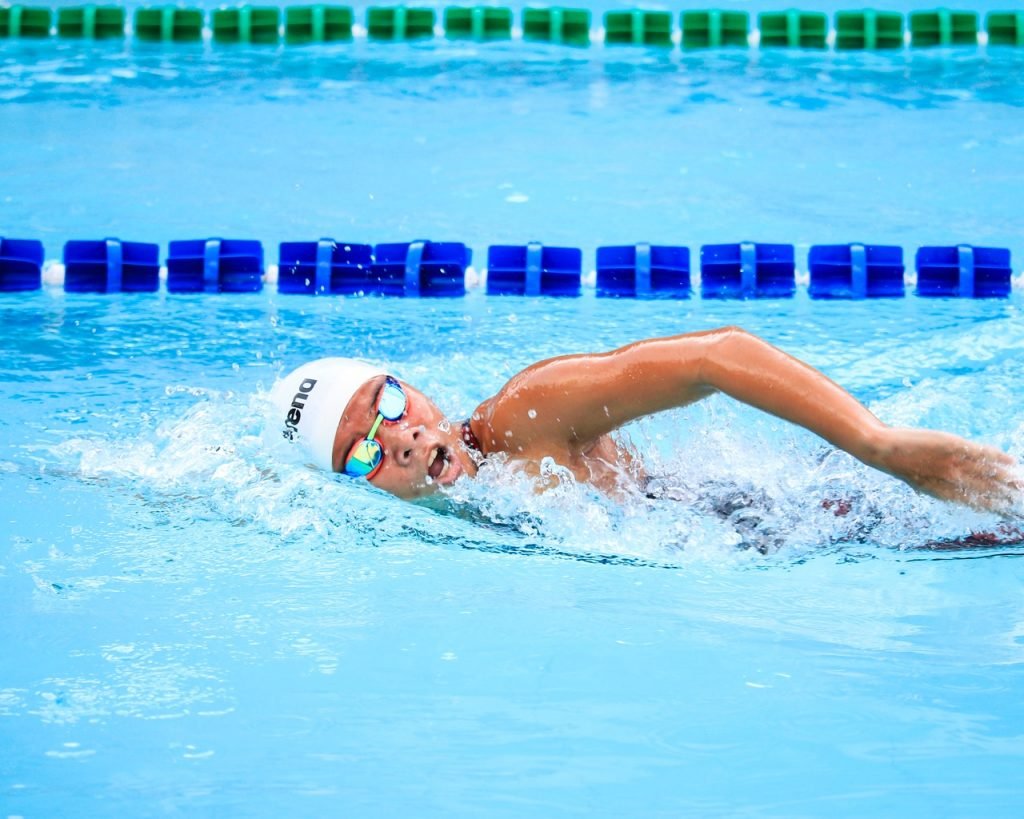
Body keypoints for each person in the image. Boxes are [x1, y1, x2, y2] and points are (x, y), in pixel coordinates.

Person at [269, 326, 1023, 517]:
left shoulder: (526, 414)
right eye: (362, 449)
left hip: (790, 518)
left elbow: (715, 356)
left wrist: (877, 445)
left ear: (418, 391)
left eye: (390, 404)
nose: (397, 437)